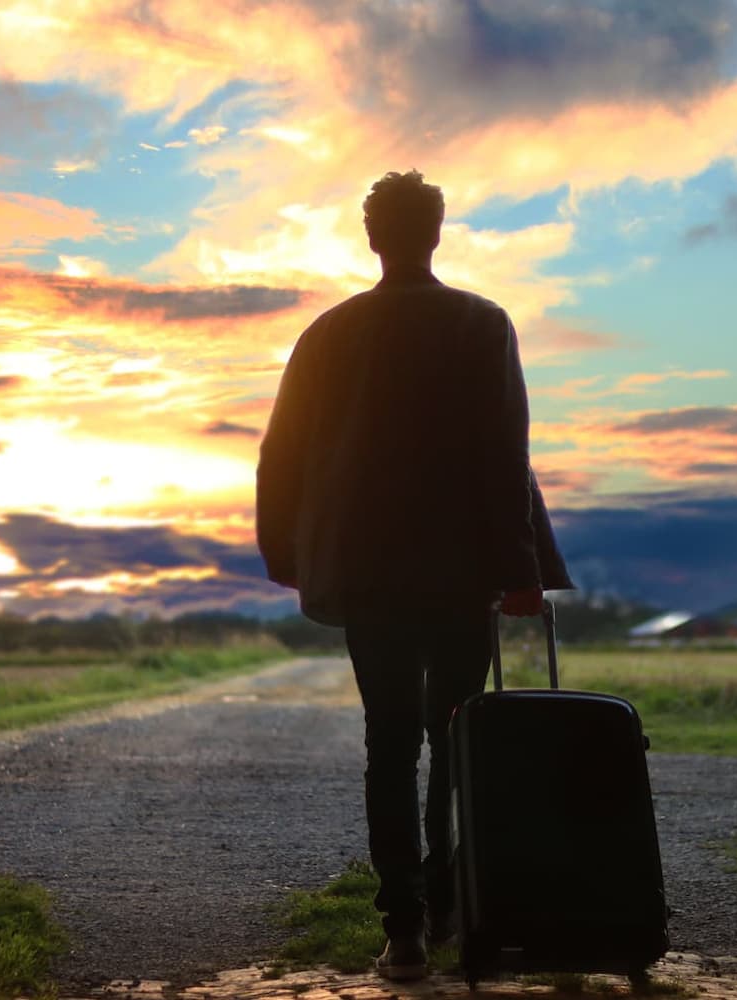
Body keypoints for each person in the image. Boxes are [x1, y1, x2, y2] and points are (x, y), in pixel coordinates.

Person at [256, 170, 572, 981]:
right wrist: (520, 572)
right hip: (461, 573)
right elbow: (507, 456)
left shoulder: (327, 334)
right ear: (436, 232)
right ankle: (450, 906)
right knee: (457, 739)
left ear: (373, 238)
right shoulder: (481, 323)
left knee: (389, 747)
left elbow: (281, 453)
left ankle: (404, 933)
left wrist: (288, 556)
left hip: (369, 577)